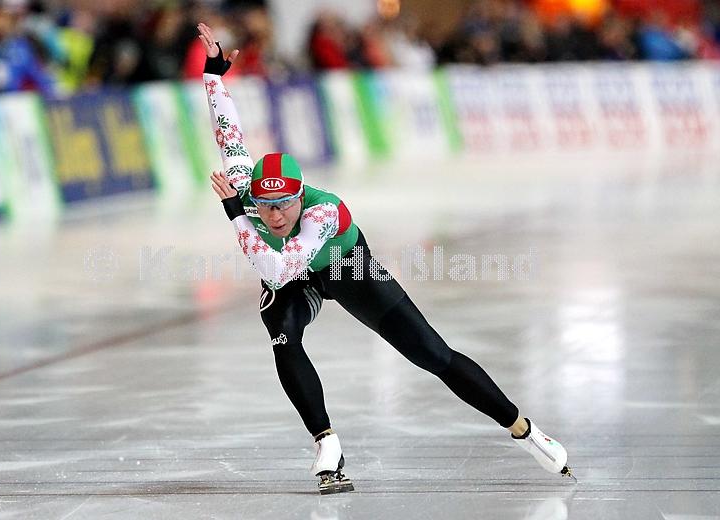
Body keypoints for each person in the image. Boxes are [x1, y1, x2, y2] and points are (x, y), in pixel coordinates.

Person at [198, 22, 574, 494]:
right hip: (295, 275)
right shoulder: (244, 186)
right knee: (283, 336)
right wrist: (213, 75)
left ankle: (525, 430)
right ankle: (326, 443)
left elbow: (276, 266)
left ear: (301, 196)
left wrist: (236, 213)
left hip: (345, 268)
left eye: (284, 205)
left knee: (433, 356)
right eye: (265, 205)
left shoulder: (322, 212)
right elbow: (228, 131)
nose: (274, 216)